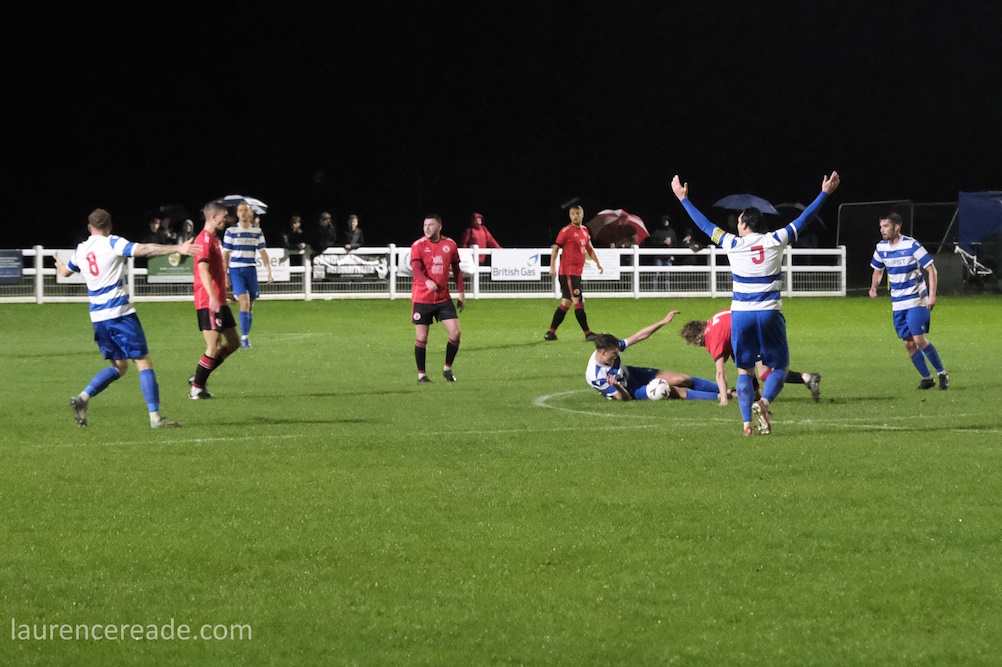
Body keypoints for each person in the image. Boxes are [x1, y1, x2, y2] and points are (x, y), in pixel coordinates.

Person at [671, 170, 840, 436]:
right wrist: (824, 194)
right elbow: (804, 219)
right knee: (779, 368)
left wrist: (683, 199)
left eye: (739, 220)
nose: (736, 224)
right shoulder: (776, 239)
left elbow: (704, 225)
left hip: (740, 315)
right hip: (769, 313)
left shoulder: (732, 242)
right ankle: (765, 402)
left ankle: (747, 424)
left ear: (744, 224)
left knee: (744, 371)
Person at [53, 208, 196, 428]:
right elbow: (144, 249)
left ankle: (83, 398)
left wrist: (60, 265)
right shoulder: (112, 243)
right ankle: (155, 418)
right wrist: (178, 247)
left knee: (120, 366)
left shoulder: (81, 249)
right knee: (143, 362)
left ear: (90, 228)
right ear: (109, 226)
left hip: (98, 318)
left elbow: (65, 273)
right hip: (119, 314)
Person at [869, 212, 949, 390]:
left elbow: (931, 269)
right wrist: (874, 286)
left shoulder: (911, 245)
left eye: (886, 226)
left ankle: (942, 373)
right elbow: (878, 270)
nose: (882, 230)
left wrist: (932, 295)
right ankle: (927, 378)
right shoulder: (881, 248)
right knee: (909, 343)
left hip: (917, 300)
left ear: (897, 227)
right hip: (897, 303)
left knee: (919, 340)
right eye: (881, 226)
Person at [679, 309, 822, 405]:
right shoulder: (714, 321)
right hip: (756, 319)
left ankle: (807, 378)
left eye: (695, 342)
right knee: (744, 363)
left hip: (752, 330)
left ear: (698, 336)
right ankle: (756, 393)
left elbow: (720, 373)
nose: (698, 345)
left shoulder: (712, 338)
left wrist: (723, 399)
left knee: (765, 373)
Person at [586, 311, 724, 401]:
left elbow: (639, 336)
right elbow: (624, 399)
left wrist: (663, 322)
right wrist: (617, 386)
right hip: (629, 390)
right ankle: (723, 396)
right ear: (603, 352)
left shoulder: (612, 347)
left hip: (633, 374)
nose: (616, 355)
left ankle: (725, 389)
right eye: (614, 354)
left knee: (682, 379)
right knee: (671, 390)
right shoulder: (596, 376)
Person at [188, 200, 241, 399]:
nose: (225, 220)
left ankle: (200, 375)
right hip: (208, 301)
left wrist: (222, 294)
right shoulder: (203, 240)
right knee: (214, 347)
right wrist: (212, 296)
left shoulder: (213, 239)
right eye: (223, 216)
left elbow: (214, 272)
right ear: (213, 216)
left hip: (218, 300)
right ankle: (196, 389)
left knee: (234, 343)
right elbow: (203, 270)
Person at [410, 215, 465, 382]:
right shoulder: (418, 245)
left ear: (439, 227)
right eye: (425, 225)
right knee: (422, 338)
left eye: (431, 225)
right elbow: (415, 269)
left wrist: (461, 293)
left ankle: (447, 368)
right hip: (422, 298)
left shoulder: (450, 244)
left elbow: (457, 269)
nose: (427, 228)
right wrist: (426, 281)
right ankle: (422, 375)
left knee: (456, 333)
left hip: (443, 298)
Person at [544, 204, 603, 341]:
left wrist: (597, 262)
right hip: (568, 273)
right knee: (579, 301)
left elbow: (589, 248)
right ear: (570, 216)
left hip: (576, 273)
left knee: (566, 303)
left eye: (578, 213)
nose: (576, 216)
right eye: (573, 214)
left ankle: (550, 332)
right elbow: (555, 249)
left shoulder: (585, 230)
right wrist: (552, 266)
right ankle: (588, 334)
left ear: (582, 214)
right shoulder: (566, 231)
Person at [223, 200, 273, 349]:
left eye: (246, 210)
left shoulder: (257, 232)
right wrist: (225, 273)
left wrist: (269, 271)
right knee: (244, 302)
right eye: (240, 210)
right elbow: (226, 254)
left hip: (251, 270)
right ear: (237, 214)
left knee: (250, 304)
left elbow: (263, 252)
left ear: (251, 213)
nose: (243, 213)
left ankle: (246, 335)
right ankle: (244, 338)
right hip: (236, 270)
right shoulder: (230, 231)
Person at [648, 214, 678, 291]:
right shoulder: (657, 232)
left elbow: (675, 244)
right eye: (664, 221)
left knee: (667, 276)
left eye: (667, 221)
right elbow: (652, 242)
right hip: (659, 256)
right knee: (656, 275)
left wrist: (673, 255)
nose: (666, 222)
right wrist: (663, 242)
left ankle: (667, 292)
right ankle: (654, 292)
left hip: (668, 257)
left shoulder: (672, 232)